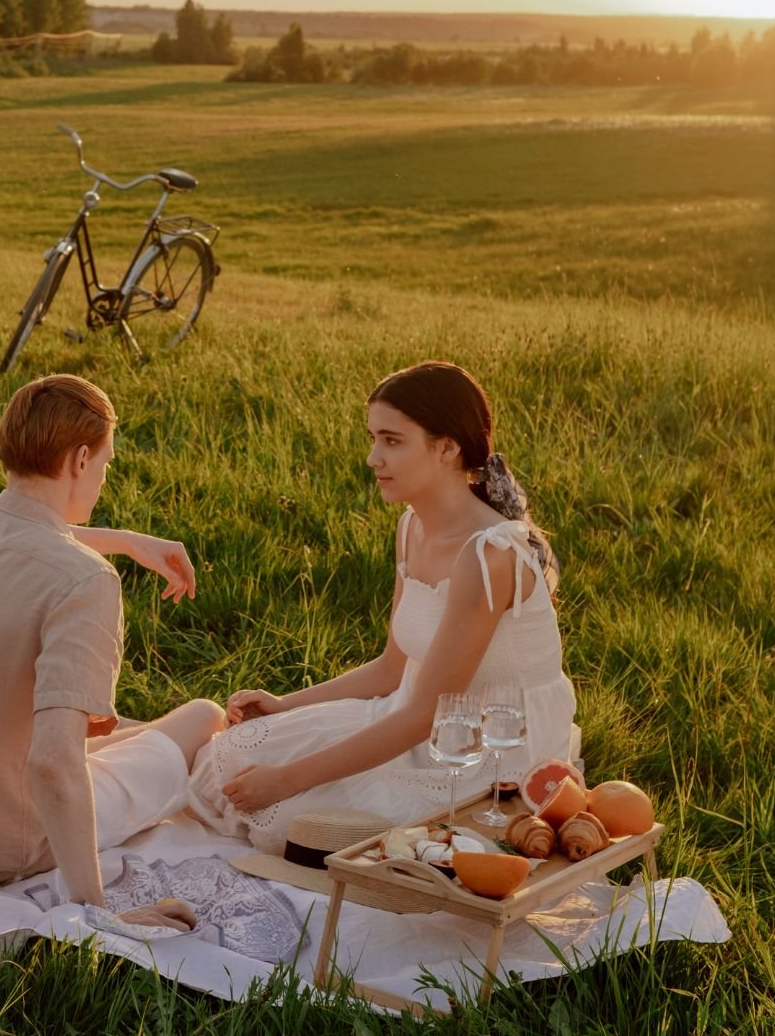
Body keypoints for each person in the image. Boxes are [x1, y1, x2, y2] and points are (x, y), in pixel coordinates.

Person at [0, 374, 224, 929]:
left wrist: (125, 539)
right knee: (202, 718)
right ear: (80, 460)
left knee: (119, 728)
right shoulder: (85, 582)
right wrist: (98, 914)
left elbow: (24, 534)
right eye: (106, 464)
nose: (102, 477)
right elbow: (54, 763)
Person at [187, 361, 575, 853]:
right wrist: (287, 704)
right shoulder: (412, 527)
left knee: (289, 815)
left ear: (448, 448)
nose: (373, 457)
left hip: (485, 750)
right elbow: (393, 669)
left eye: (392, 441)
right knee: (226, 758)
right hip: (414, 715)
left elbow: (426, 716)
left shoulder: (489, 554)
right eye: (373, 438)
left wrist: (286, 779)